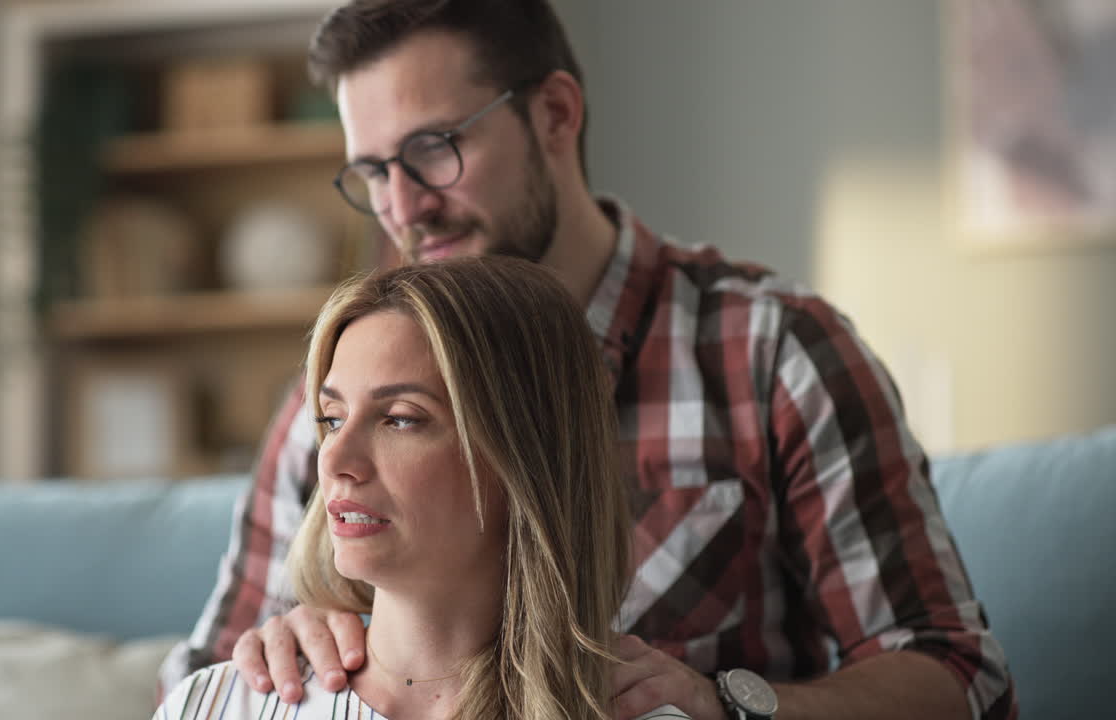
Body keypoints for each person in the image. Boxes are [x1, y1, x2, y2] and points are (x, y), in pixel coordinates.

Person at [161, 1, 1019, 718]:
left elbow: (960, 675)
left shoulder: (773, 354)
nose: (403, 208)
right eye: (372, 172)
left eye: (432, 150)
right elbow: (204, 669)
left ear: (557, 114)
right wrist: (273, 642)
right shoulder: (347, 376)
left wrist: (730, 704)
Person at [156, 257, 690, 720]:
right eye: (333, 418)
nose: (336, 460)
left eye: (401, 419)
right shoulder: (216, 703)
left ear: (526, 458)